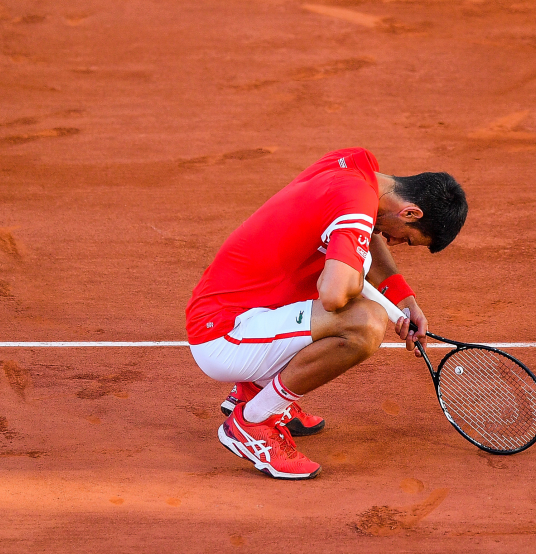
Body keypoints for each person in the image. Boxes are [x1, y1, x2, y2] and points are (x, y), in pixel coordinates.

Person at [185, 148, 468, 480]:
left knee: (356, 294)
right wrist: (356, 273)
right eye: (406, 238)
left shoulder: (357, 167)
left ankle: (253, 389)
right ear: (410, 212)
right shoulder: (357, 205)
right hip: (224, 335)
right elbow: (333, 296)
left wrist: (403, 300)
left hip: (239, 306)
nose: (393, 242)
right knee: (366, 322)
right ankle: (253, 421)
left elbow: (364, 232)